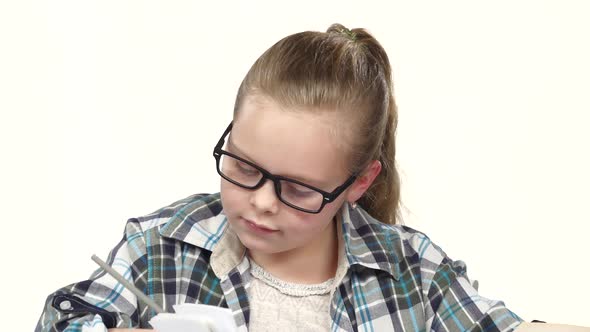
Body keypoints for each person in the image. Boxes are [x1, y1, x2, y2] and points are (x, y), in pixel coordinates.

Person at [36, 23, 523, 332]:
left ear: (358, 183)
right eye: (245, 167)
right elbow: (64, 318)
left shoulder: (414, 273)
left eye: (298, 189)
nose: (263, 202)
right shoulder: (162, 246)